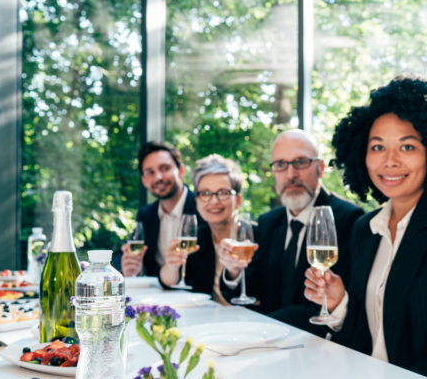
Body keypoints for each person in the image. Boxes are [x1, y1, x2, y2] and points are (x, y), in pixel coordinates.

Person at [304, 76, 427, 379]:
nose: (390, 161)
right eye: (378, 146)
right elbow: (368, 337)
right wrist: (339, 303)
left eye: (407, 146)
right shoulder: (364, 229)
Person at [218, 130, 363, 332]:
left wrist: (262, 326)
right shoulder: (268, 221)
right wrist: (233, 270)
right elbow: (253, 289)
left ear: (320, 168)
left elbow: (336, 304)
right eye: (280, 165)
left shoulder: (350, 219)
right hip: (269, 344)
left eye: (300, 162)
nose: (290, 174)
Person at [159, 155, 245, 305]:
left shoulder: (258, 237)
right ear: (197, 201)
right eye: (205, 193)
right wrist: (172, 266)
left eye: (223, 193)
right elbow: (168, 282)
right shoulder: (197, 238)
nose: (213, 201)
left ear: (238, 200)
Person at [121, 141, 203, 278]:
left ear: (181, 171)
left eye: (165, 168)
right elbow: (147, 269)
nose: (158, 177)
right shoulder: (145, 215)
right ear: (144, 181)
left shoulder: (203, 208)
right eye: (150, 172)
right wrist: (134, 271)